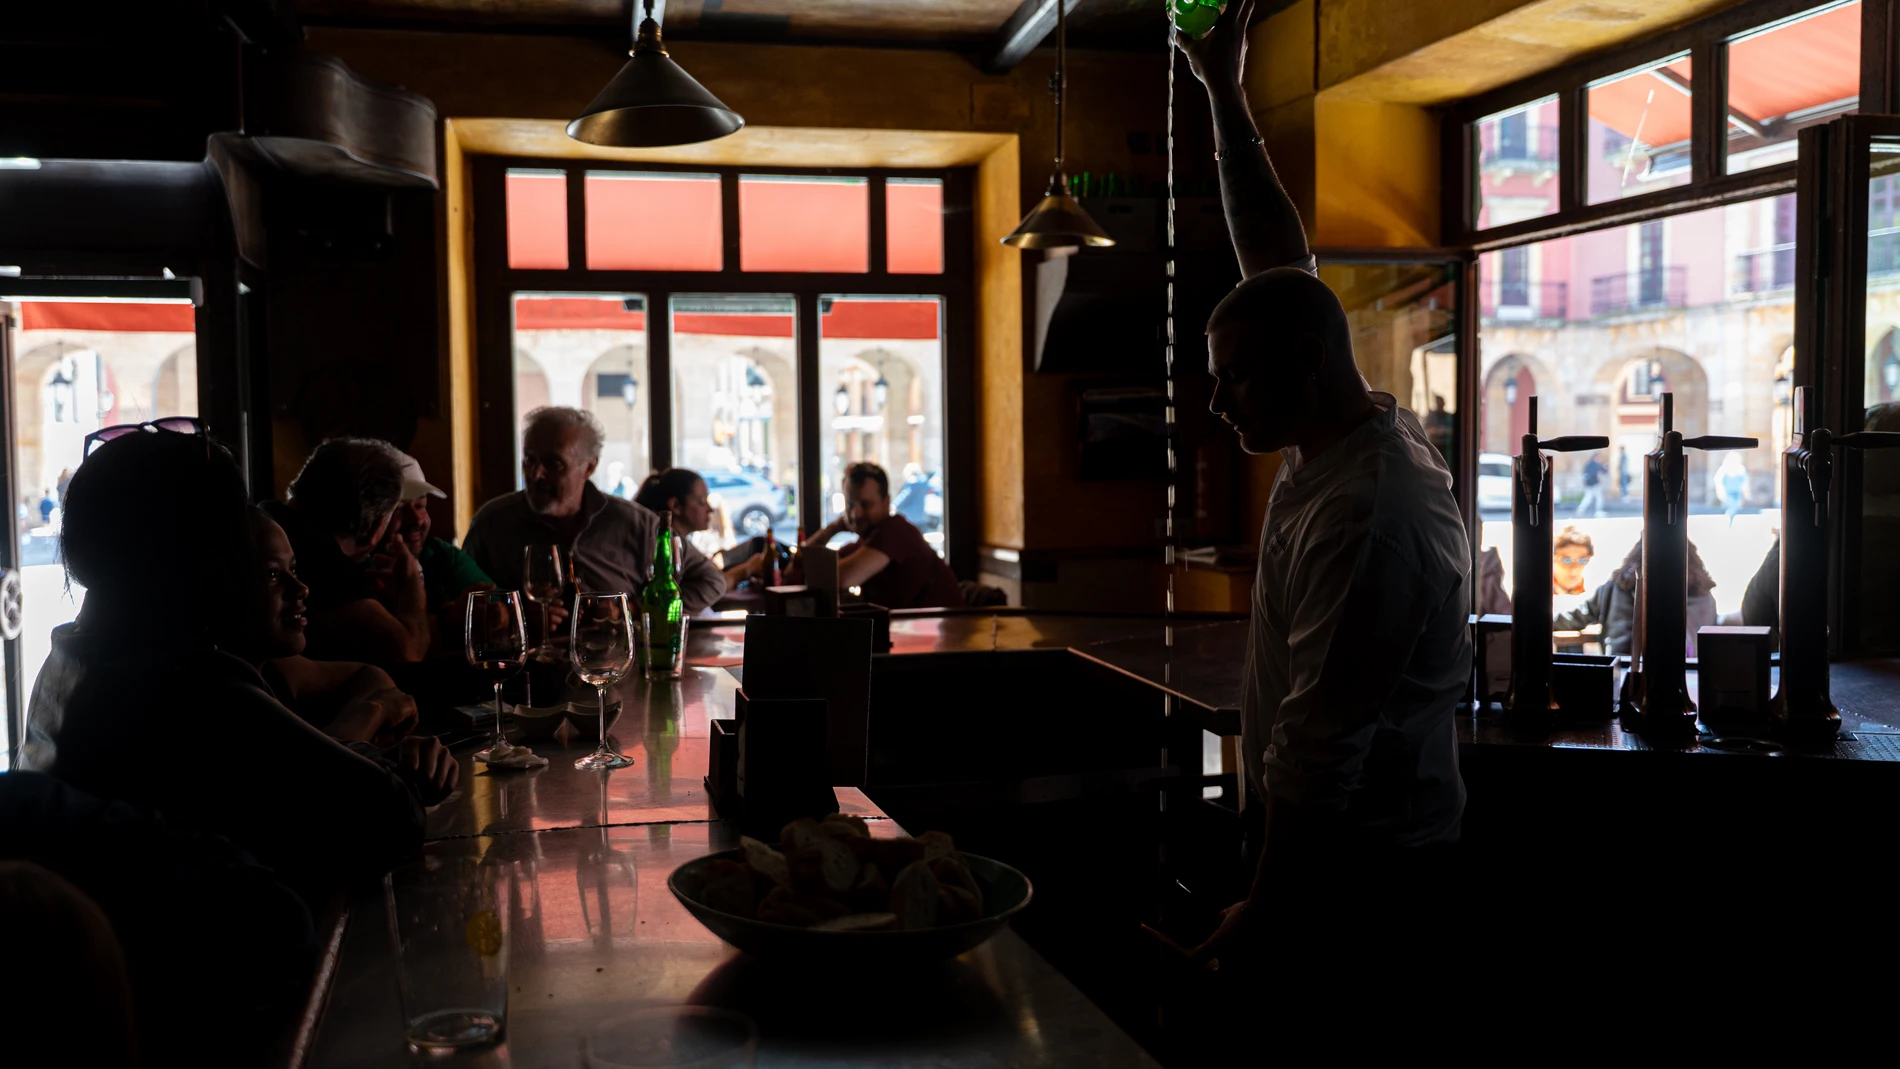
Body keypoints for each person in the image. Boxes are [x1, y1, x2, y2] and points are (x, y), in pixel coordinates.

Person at [1177, 1, 1470, 983]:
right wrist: (1223, 90)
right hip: (1326, 847)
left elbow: (1320, 746)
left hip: (1363, 870)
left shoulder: (1369, 512)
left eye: (1233, 380)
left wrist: (1270, 902)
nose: (1216, 405)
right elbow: (1275, 257)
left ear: (1305, 364)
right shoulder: (1329, 433)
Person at [20, 427, 452, 901]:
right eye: (227, 535)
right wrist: (355, 736)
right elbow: (392, 814)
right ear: (187, 549)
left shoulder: (71, 657)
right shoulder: (188, 683)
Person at [463, 406, 726, 615]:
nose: (536, 474)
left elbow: (711, 581)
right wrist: (515, 613)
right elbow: (460, 606)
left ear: (588, 468)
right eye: (530, 459)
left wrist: (633, 609)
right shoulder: (493, 523)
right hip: (521, 677)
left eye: (553, 463)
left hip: (618, 675)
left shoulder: (635, 523)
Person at [252, 506, 422, 741]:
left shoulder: (275, 667)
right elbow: (316, 768)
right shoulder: (216, 686)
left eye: (292, 569)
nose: (301, 588)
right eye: (272, 574)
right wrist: (374, 712)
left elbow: (369, 675)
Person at [263, 438, 432, 665]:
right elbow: (408, 652)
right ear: (376, 526)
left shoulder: (264, 520)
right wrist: (412, 583)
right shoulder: (326, 565)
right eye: (396, 512)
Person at [804, 461, 962, 610]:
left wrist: (835, 528)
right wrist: (833, 528)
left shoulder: (896, 531)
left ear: (886, 502)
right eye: (850, 505)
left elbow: (841, 579)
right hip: (916, 628)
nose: (855, 514)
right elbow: (804, 565)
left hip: (944, 629)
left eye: (866, 505)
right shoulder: (867, 540)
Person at [389, 450, 493, 653]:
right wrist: (450, 621)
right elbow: (401, 653)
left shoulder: (441, 553)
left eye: (420, 505)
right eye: (399, 508)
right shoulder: (356, 571)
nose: (417, 519)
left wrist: (499, 616)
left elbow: (494, 601)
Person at [1553, 537, 1718, 657]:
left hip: (1624, 670)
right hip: (1686, 673)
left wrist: (1535, 621)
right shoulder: (1703, 593)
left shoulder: (1616, 587)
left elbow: (1576, 617)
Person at [635, 467, 765, 589]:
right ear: (676, 506)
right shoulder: (664, 550)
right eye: (702, 501)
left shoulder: (679, 545)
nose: (710, 509)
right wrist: (747, 569)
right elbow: (706, 589)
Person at [1553, 526, 1594, 595]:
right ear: (1553, 560)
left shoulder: (1596, 593)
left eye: (1582, 560)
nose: (1574, 568)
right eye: (1566, 560)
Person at [1717, 452, 1749, 526]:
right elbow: (1719, 481)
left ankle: (1729, 524)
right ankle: (1727, 523)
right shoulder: (1724, 469)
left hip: (1737, 494)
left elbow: (1744, 482)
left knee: (1735, 509)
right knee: (1732, 509)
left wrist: (1746, 493)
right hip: (1728, 494)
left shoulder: (1741, 469)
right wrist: (1720, 493)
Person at [1577, 452, 1609, 518]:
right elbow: (1603, 471)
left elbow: (1584, 474)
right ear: (1595, 458)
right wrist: (1606, 467)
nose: (1599, 459)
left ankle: (1581, 509)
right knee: (1599, 497)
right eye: (1598, 458)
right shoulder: (1595, 464)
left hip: (1589, 484)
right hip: (1595, 483)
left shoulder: (1588, 464)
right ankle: (1598, 511)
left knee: (1588, 497)